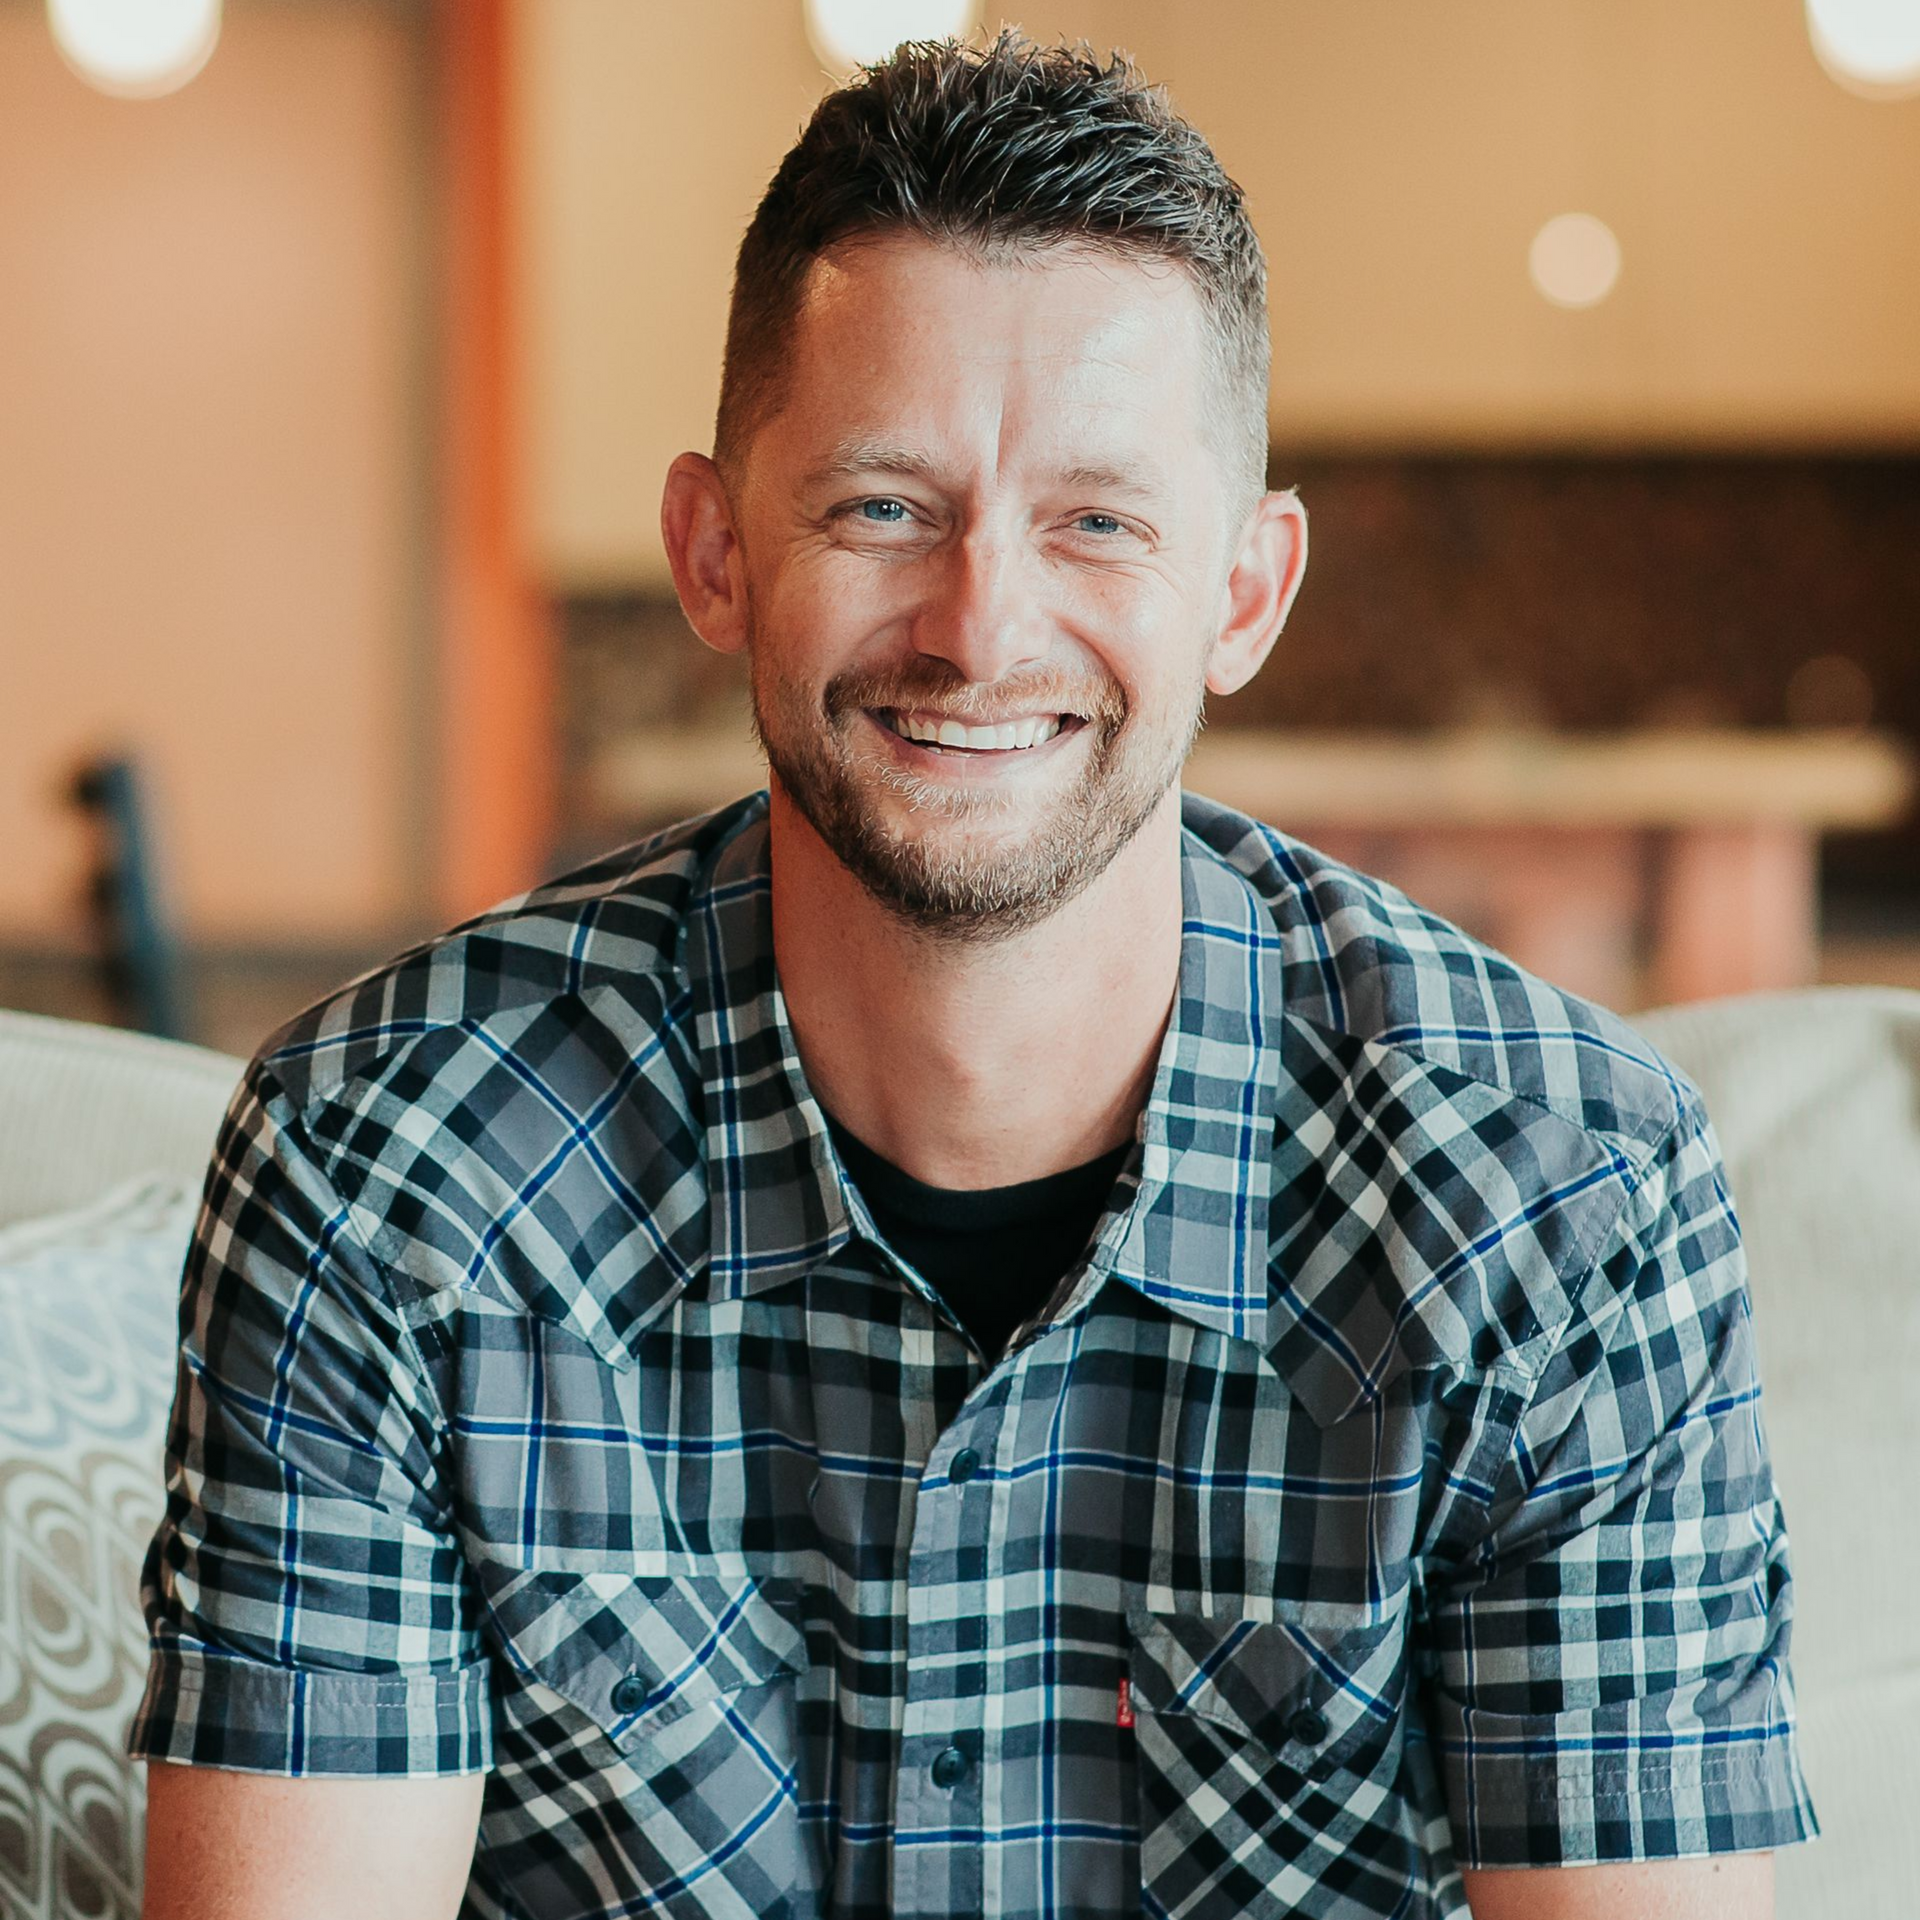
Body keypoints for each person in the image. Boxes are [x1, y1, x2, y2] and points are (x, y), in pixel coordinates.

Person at [134, 34, 1818, 1920]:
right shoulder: (389, 1164)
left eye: (1097, 519)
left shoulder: (1562, 1193)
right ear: (711, 552)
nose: (979, 628)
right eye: (879, 507)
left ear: (1244, 593)